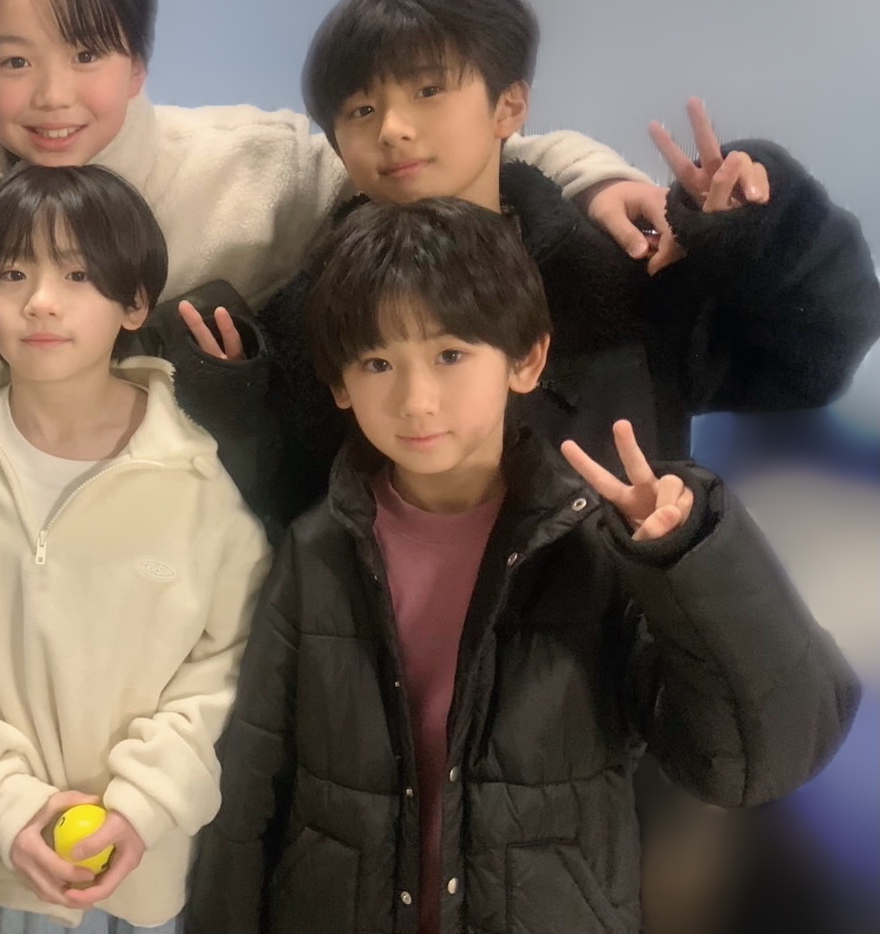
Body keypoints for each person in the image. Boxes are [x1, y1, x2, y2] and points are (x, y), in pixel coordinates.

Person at [184, 197, 860, 934]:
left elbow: (757, 760)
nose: (415, 400)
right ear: (340, 384)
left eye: (450, 354)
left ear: (526, 360)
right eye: (377, 362)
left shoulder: (597, 550)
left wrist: (691, 558)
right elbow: (249, 791)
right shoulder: (315, 550)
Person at [0, 0, 662, 501]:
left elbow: (425, 158)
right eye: (14, 62)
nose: (53, 95)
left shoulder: (250, 164)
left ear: (138, 63)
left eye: (86, 54)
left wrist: (592, 176)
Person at [217, 0, 880, 526]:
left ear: (508, 107)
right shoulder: (316, 309)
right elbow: (283, 521)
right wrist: (233, 400)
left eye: (427, 90)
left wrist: (763, 229)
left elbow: (812, 363)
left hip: (619, 624)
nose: (392, 128)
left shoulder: (620, 274)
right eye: (361, 110)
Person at [0, 164, 271, 933]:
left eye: (77, 274)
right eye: (13, 274)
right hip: (12, 859)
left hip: (155, 857)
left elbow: (233, 657)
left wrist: (144, 798)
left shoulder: (196, 471)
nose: (41, 300)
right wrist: (8, 805)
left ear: (134, 303)